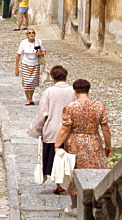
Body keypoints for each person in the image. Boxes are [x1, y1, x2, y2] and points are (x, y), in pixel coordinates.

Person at [54, 78, 112, 212]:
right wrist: (108, 145)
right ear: (88, 90)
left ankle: (75, 206)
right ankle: (97, 203)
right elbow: (105, 128)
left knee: (75, 172)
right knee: (96, 169)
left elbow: (65, 128)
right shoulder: (99, 106)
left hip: (75, 142)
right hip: (94, 141)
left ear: (75, 91)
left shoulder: (70, 107)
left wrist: (57, 145)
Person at [26, 65, 76, 194]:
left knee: (55, 159)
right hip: (70, 130)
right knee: (67, 157)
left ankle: (60, 185)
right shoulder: (73, 91)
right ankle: (66, 184)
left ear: (53, 78)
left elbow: (43, 113)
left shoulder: (49, 92)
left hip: (52, 129)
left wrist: (36, 130)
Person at [15, 28, 45, 105]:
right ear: (27, 35)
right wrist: (16, 68)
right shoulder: (23, 43)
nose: (31, 34)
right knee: (27, 82)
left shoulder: (38, 42)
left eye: (33, 33)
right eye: (29, 33)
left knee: (33, 83)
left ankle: (31, 98)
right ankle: (27, 99)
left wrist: (40, 53)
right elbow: (18, 55)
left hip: (35, 64)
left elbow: (44, 51)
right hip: (25, 64)